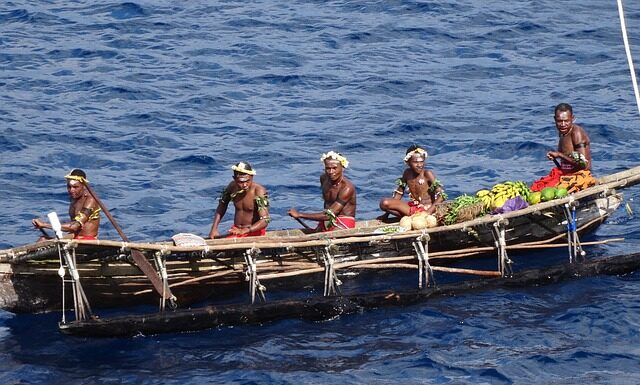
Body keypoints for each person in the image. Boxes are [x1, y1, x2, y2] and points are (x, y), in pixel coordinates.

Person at [531, 103, 596, 192]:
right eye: (559, 121)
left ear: (572, 118)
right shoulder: (563, 132)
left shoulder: (576, 133)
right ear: (555, 119)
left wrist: (559, 155)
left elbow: (584, 165)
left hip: (578, 178)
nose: (563, 124)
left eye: (566, 121)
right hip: (565, 176)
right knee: (538, 187)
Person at [288, 151, 357, 232]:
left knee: (329, 236)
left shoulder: (346, 188)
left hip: (343, 222)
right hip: (326, 220)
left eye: (334, 168)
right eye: (328, 168)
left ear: (342, 168)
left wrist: (300, 214)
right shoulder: (323, 179)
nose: (331, 172)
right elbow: (327, 207)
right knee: (315, 234)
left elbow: (329, 215)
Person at [378, 145, 447, 220]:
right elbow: (399, 194)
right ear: (408, 163)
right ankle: (413, 217)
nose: (419, 165)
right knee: (384, 203)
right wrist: (386, 215)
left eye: (422, 162)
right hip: (413, 208)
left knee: (385, 202)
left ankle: (416, 218)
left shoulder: (427, 174)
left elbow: (442, 196)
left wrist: (428, 212)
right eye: (415, 162)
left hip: (427, 210)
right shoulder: (407, 173)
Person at [32, 169, 101, 240]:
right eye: (69, 187)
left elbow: (75, 226)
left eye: (75, 187)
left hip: (87, 240)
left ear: (83, 186)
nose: (71, 190)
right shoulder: (74, 198)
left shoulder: (90, 200)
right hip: (73, 237)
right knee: (42, 239)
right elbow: (72, 223)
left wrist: (44, 225)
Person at [208, 162, 270, 238]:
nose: (244, 185)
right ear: (234, 179)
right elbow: (222, 205)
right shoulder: (232, 187)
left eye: (247, 181)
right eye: (241, 182)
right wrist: (214, 228)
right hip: (236, 230)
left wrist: (245, 231)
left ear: (252, 177)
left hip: (254, 232)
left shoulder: (259, 191)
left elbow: (265, 220)